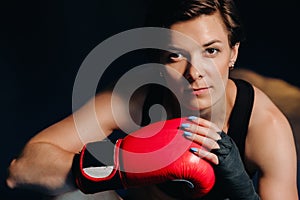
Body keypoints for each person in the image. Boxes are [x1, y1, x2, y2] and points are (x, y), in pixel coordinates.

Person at [6, 0, 298, 199]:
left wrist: (243, 192)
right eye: (176, 55)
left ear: (232, 52)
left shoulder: (265, 126)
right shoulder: (137, 97)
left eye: (211, 51)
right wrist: (124, 165)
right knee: (70, 195)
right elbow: (21, 170)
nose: (195, 73)